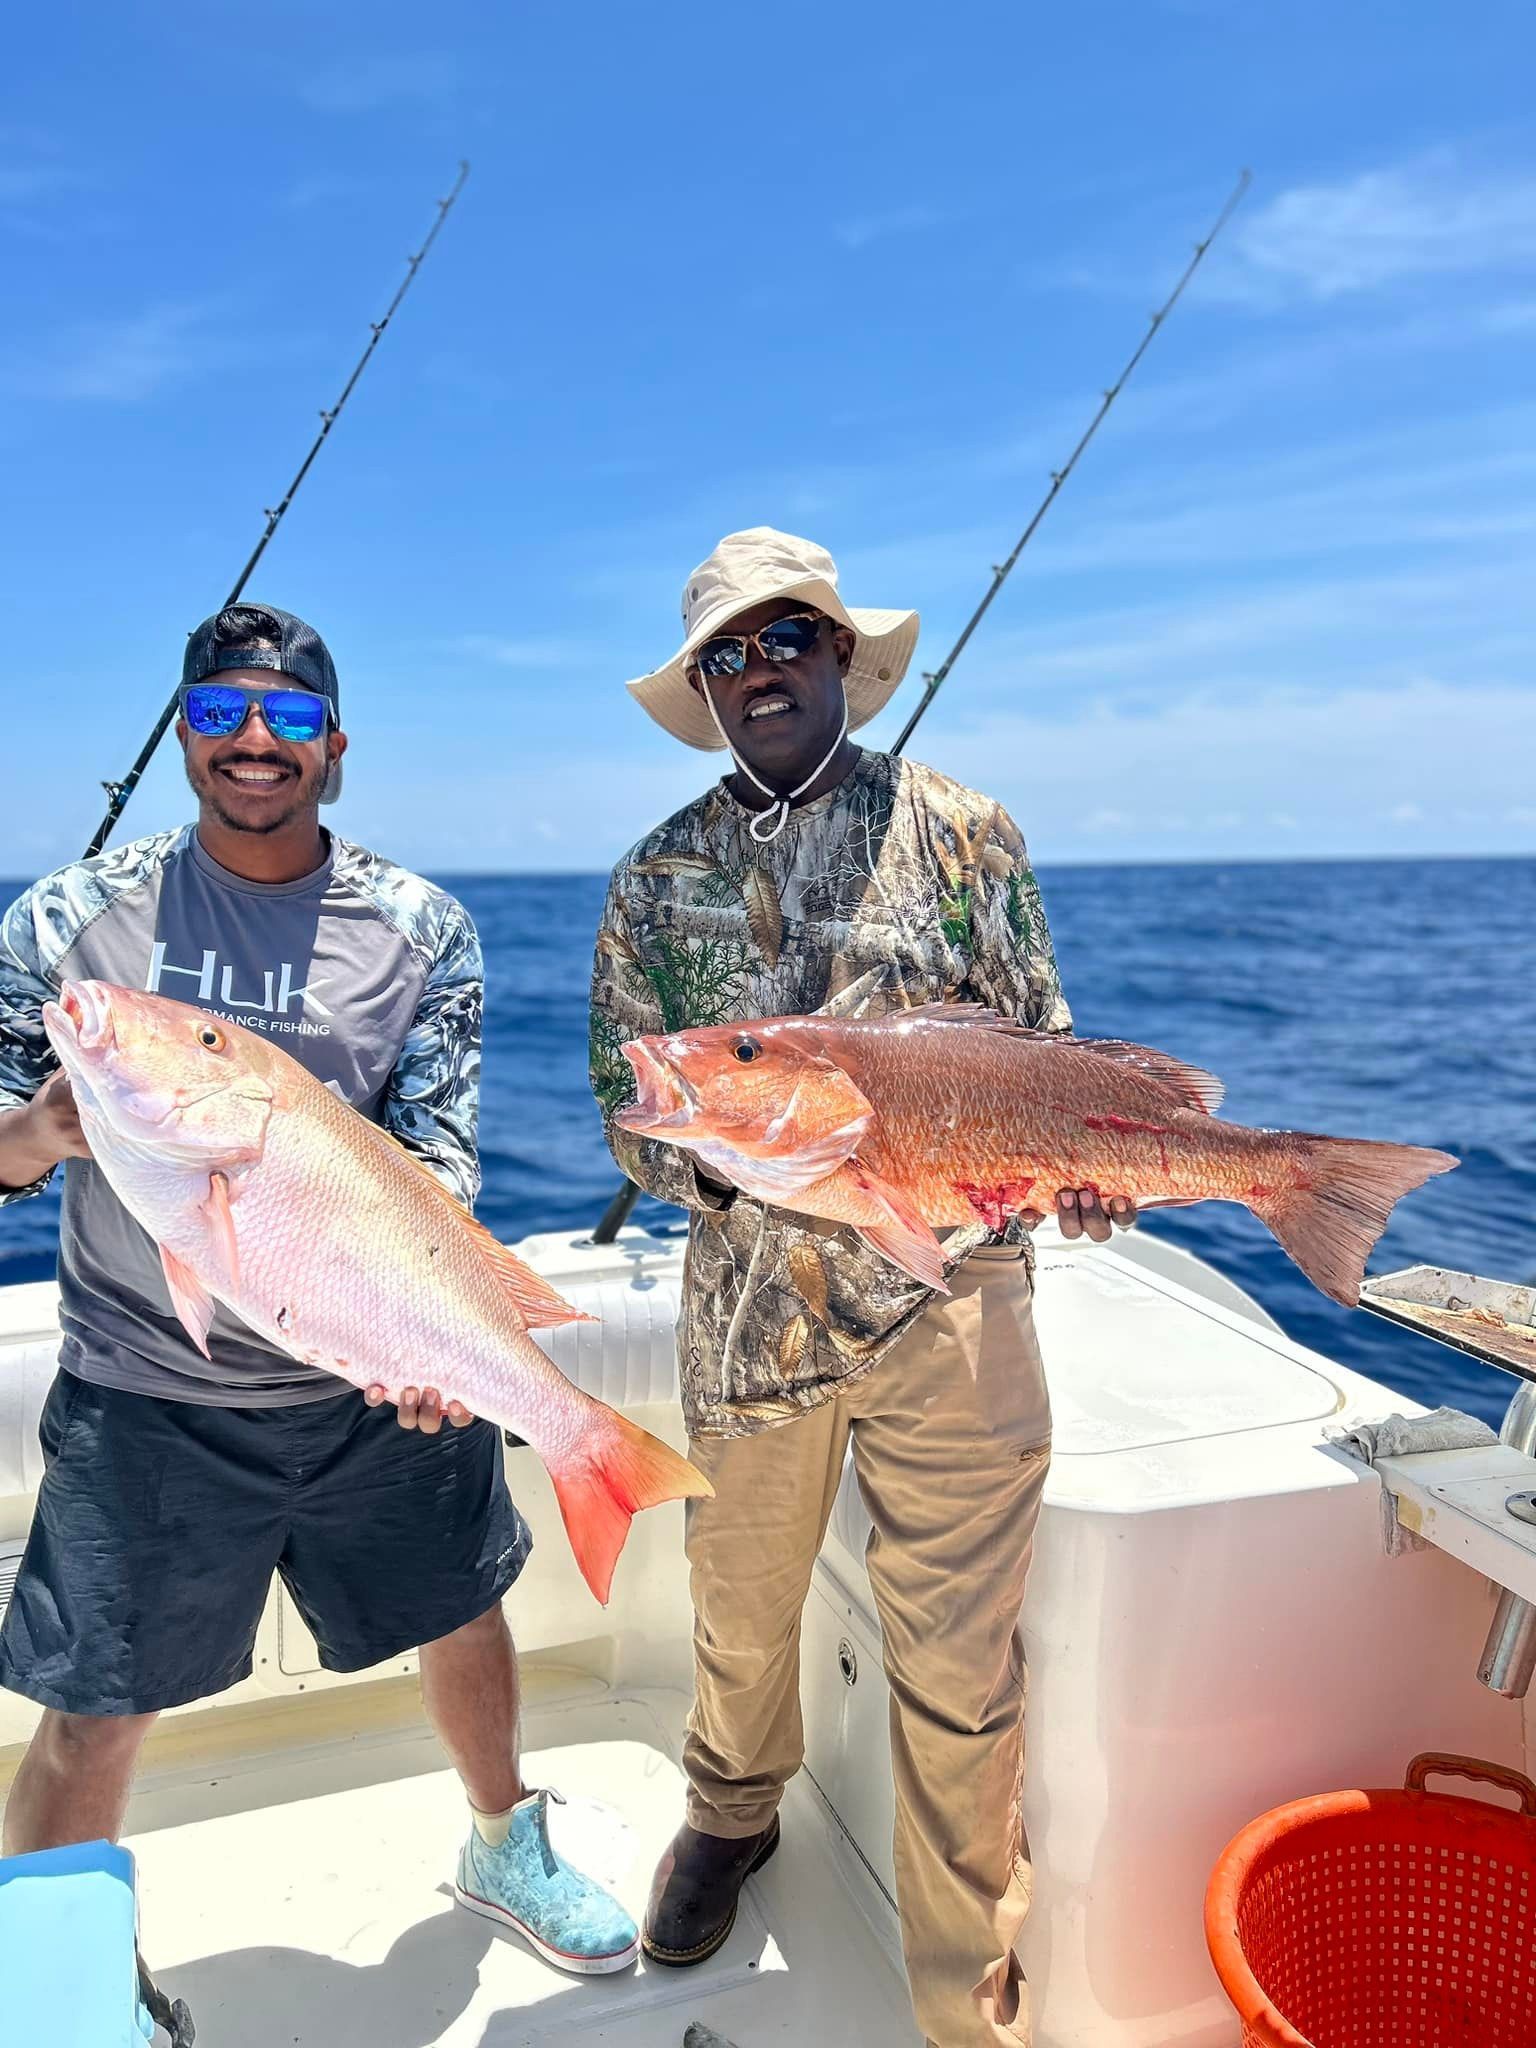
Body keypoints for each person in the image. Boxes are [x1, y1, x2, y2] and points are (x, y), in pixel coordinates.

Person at [0, 602, 639, 1976]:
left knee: (465, 1614)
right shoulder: (65, 920)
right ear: (182, 733)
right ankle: (56, 1976)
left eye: (288, 715)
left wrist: (430, 1349)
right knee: (92, 1705)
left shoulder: (421, 928)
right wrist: (41, 1132)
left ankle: (504, 1841)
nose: (254, 738)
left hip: (370, 1374)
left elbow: (434, 1169)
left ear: (334, 747)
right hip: (145, 1398)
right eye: (219, 710)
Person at [590, 529, 1135, 2045]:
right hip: (751, 1315)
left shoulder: (964, 829)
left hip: (955, 1300)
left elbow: (1046, 1050)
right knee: (740, 1610)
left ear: (841, 653)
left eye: (787, 639)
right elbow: (626, 1103)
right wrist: (747, 1160)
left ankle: (970, 2011)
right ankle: (730, 1811)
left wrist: (1078, 1168)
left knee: (961, 1672)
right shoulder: (653, 878)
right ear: (705, 689)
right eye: (727, 654)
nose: (758, 670)